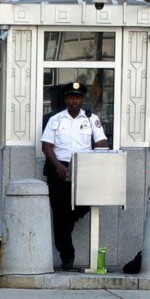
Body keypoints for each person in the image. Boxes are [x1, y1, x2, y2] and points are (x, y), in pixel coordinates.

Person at [39, 81, 110, 270]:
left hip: (85, 167)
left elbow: (101, 142)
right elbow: (46, 146)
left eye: (77, 97)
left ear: (82, 99)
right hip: (59, 168)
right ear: (66, 99)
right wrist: (58, 166)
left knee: (83, 205)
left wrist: (97, 159)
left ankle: (67, 222)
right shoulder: (56, 119)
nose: (74, 101)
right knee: (59, 212)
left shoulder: (90, 119)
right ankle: (67, 256)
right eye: (71, 97)